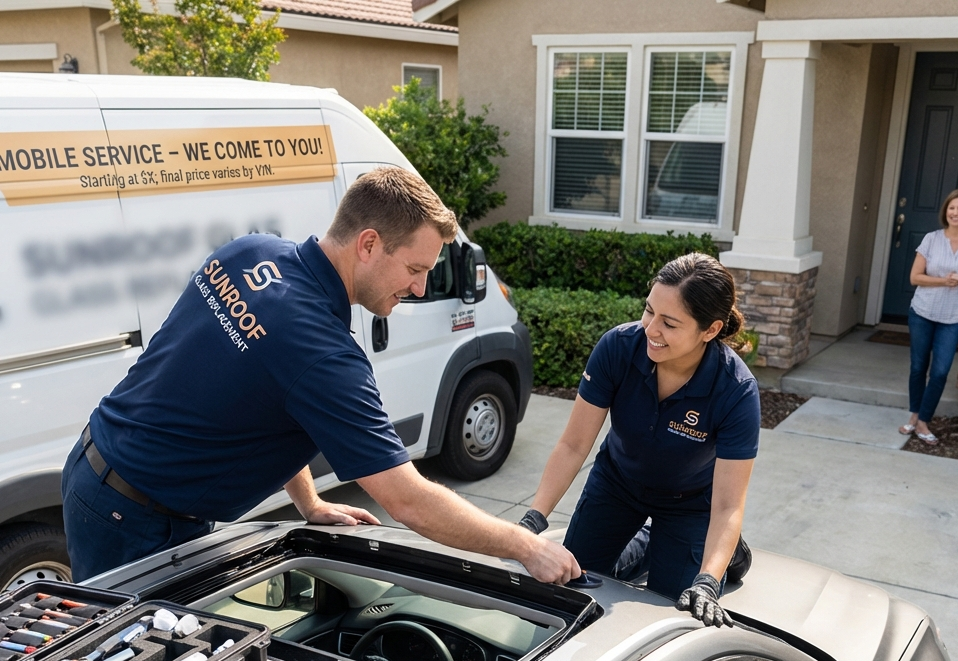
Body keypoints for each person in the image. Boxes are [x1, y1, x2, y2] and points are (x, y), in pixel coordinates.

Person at [61, 167, 579, 585]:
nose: (420, 289)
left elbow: (263, 393)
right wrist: (526, 545)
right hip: (135, 520)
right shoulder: (324, 356)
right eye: (416, 269)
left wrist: (308, 502)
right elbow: (407, 499)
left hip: (95, 467)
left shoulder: (249, 252)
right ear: (370, 243)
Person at [518, 253, 760, 628]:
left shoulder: (736, 390)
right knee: (572, 582)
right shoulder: (618, 348)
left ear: (710, 330)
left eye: (669, 323)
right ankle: (653, 540)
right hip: (617, 483)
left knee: (672, 608)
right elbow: (573, 445)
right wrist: (533, 520)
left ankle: (724, 555)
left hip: (691, 502)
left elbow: (729, 504)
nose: (650, 329)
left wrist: (709, 580)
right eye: (649, 311)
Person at [900, 188, 958, 445]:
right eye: (952, 208)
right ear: (946, 211)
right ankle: (915, 415)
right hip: (923, 311)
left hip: (953, 317)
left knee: (939, 372)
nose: (955, 212)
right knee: (918, 367)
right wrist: (943, 280)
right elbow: (915, 277)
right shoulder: (931, 239)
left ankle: (924, 421)